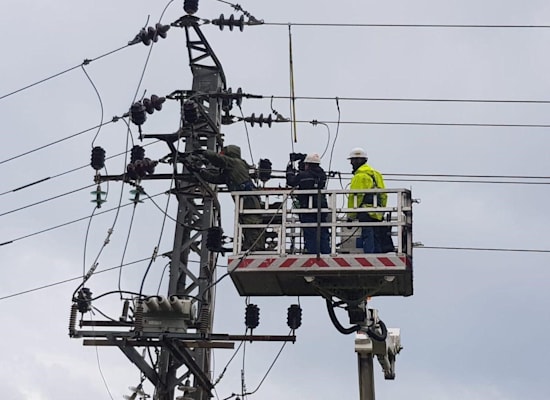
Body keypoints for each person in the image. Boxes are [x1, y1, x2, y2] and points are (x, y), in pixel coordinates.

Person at [199, 145, 265, 252]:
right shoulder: (229, 171)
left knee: (252, 222)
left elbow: (219, 159)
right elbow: (215, 178)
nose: (221, 154)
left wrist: (204, 152)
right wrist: (200, 172)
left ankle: (256, 246)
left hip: (248, 199)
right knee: (246, 222)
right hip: (245, 199)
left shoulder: (235, 163)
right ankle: (250, 245)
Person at [347, 147, 390, 253]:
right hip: (377, 211)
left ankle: (370, 255)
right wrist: (381, 210)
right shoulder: (376, 174)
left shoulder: (360, 176)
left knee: (368, 235)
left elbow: (355, 196)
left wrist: (350, 215)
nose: (351, 163)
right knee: (376, 236)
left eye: (352, 161)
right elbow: (384, 195)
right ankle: (378, 257)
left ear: (358, 161)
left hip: (365, 211)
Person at [286, 153, 331, 254]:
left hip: (307, 209)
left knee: (310, 233)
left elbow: (291, 181)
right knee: (322, 232)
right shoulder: (322, 174)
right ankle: (325, 252)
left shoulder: (303, 175)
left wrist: (289, 170)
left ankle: (313, 253)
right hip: (321, 207)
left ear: (308, 164)